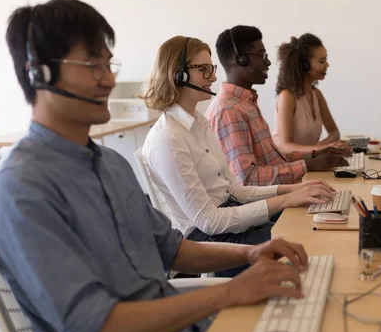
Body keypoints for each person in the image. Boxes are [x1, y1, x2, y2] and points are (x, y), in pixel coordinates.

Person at [0, 0, 308, 332]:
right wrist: (231, 292)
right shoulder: (21, 190)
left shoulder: (109, 164)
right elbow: (96, 331)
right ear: (39, 74)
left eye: (108, 64)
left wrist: (253, 254)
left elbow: (173, 249)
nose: (110, 79)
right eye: (92, 66)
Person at [138, 36, 334, 276]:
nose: (213, 78)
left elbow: (235, 190)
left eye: (212, 69)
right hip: (208, 240)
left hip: (231, 220)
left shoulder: (199, 123)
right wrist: (284, 200)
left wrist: (291, 191)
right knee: (304, 242)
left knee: (306, 227)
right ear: (178, 75)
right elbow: (209, 221)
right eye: (204, 70)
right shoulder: (168, 138)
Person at [205, 25, 351, 187]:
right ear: (240, 59)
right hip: (263, 206)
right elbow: (247, 179)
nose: (267, 62)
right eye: (261, 55)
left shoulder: (246, 103)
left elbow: (274, 160)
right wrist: (309, 165)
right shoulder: (228, 110)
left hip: (276, 193)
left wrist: (316, 153)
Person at [273, 33, 350, 153]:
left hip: (308, 162)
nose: (327, 65)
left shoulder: (316, 94)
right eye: (321, 61)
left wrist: (322, 147)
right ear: (304, 65)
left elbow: (334, 132)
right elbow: (285, 147)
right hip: (286, 164)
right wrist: (320, 149)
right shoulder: (287, 97)